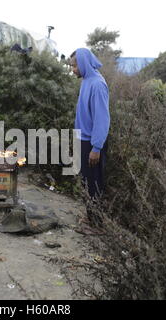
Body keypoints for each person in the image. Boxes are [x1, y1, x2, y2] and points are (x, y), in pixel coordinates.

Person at [70, 48, 110, 228]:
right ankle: (90, 216)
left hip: (92, 143)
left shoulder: (97, 85)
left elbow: (102, 119)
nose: (73, 69)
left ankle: (96, 222)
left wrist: (96, 148)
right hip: (83, 140)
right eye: (71, 66)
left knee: (94, 183)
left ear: (84, 63)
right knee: (87, 180)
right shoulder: (86, 80)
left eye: (74, 65)